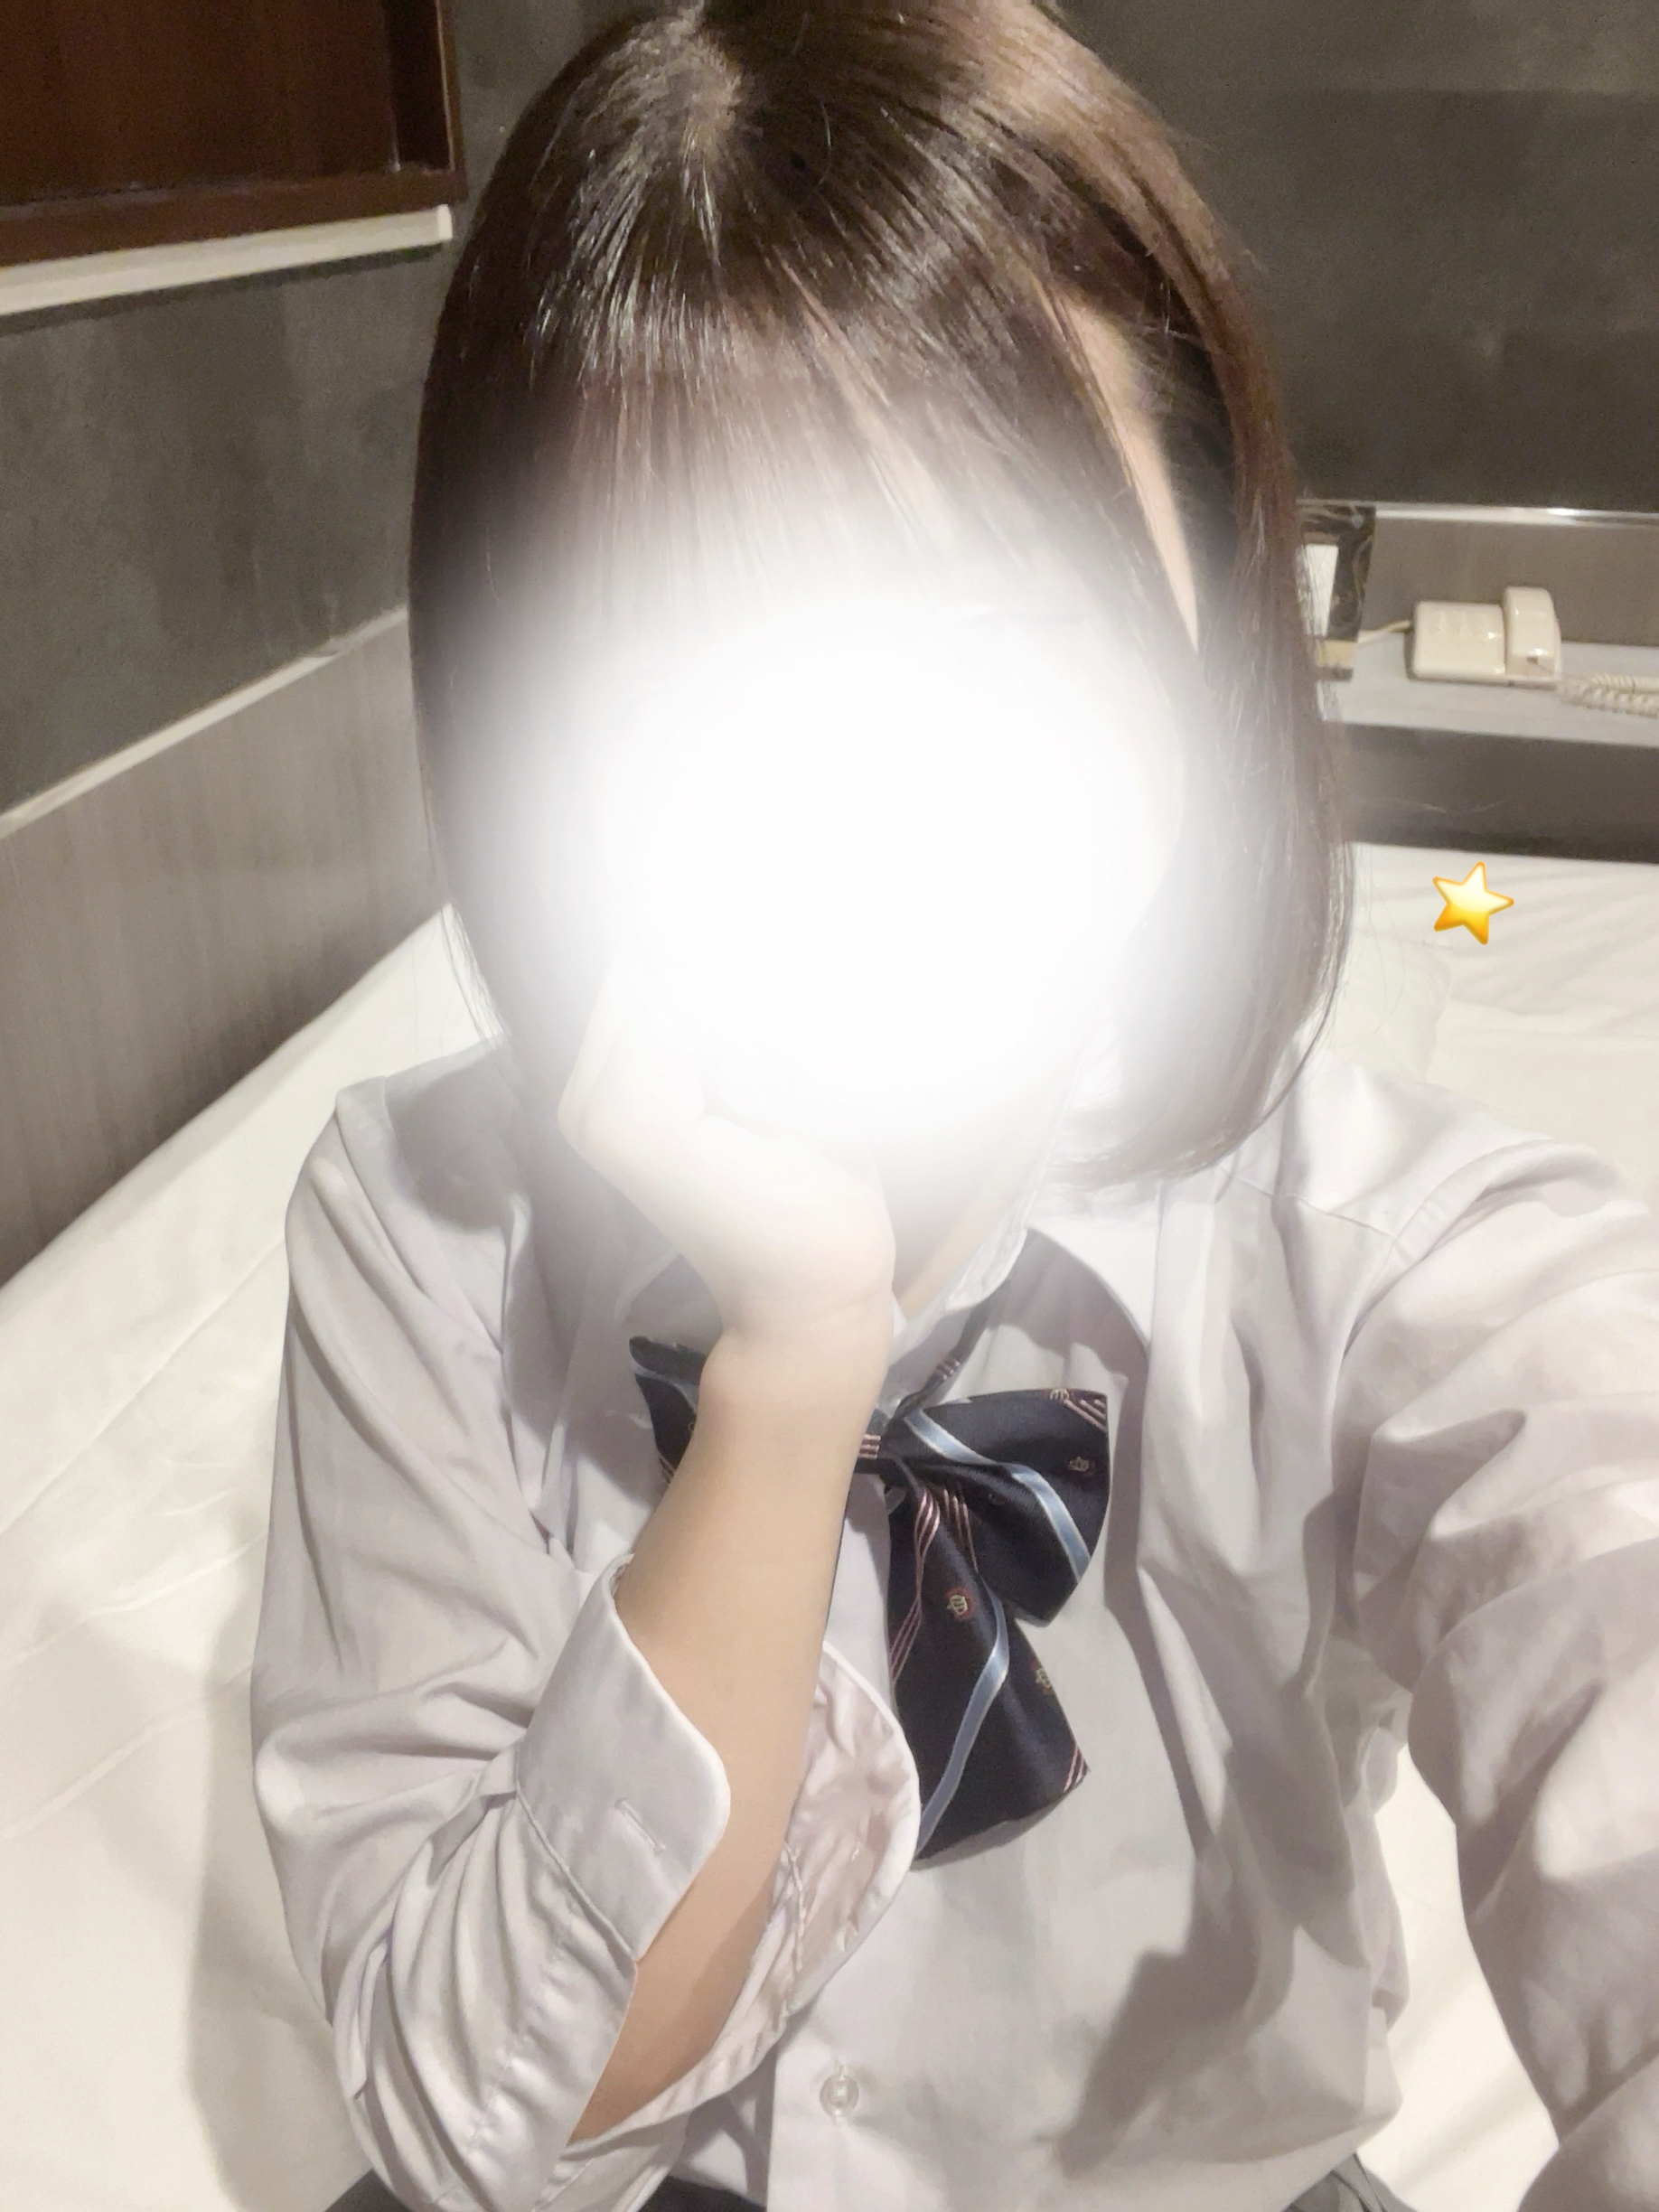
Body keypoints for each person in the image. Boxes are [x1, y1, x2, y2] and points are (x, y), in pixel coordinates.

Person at [249, 5, 1659, 2211]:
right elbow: (468, 2134)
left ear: (1209, 631)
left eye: (1008, 623)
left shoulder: (1412, 1271)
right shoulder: (417, 1228)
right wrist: (797, 1359)